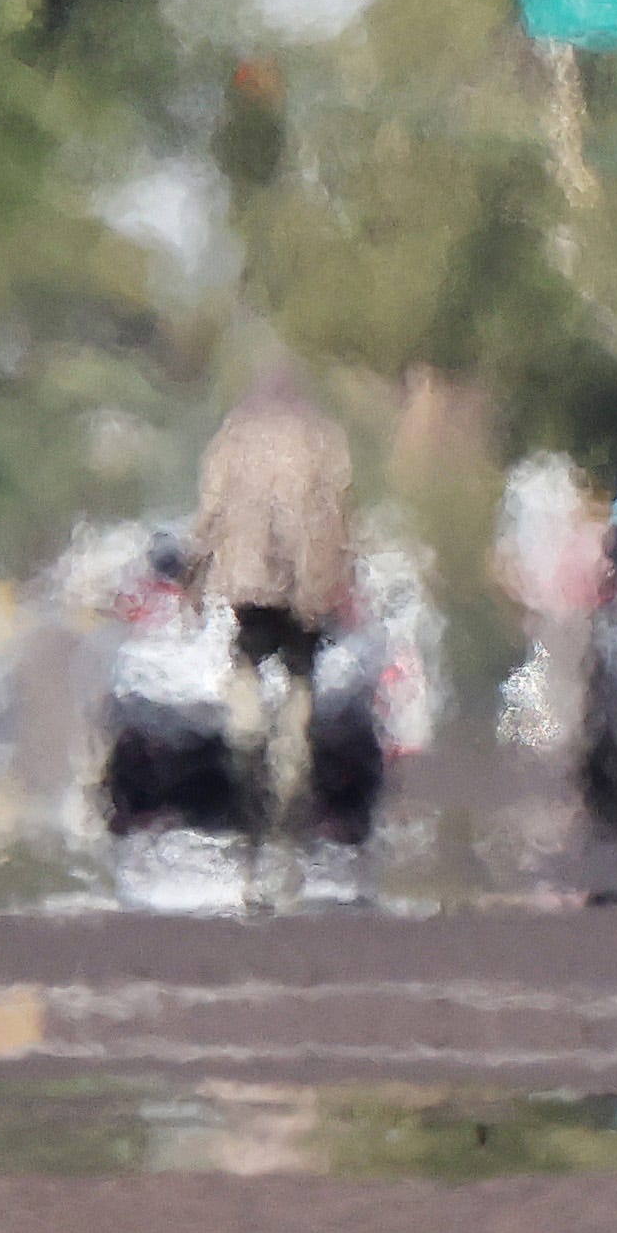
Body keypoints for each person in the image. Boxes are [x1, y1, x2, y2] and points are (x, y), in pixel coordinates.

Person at [189, 357, 355, 898]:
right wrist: (335, 579)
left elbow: (209, 510)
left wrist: (194, 573)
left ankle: (255, 754)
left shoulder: (235, 436)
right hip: (306, 591)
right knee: (299, 693)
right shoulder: (324, 439)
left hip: (249, 587)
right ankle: (286, 774)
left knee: (249, 687)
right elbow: (341, 513)